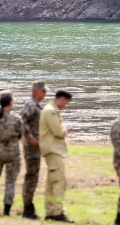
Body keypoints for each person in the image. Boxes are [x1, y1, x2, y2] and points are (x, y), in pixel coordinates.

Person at [40, 90, 75, 223]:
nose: (66, 105)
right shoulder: (51, 111)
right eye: (66, 102)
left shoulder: (50, 110)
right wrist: (67, 129)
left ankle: (50, 211)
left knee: (51, 182)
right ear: (61, 99)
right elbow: (58, 131)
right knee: (59, 182)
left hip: (51, 149)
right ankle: (57, 211)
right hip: (53, 150)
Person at [20, 81, 47, 219]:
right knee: (31, 176)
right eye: (43, 91)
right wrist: (30, 139)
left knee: (34, 176)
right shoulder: (30, 105)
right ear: (35, 91)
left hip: (36, 147)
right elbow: (23, 122)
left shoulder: (36, 106)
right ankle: (27, 208)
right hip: (31, 148)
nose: (45, 94)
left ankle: (29, 206)